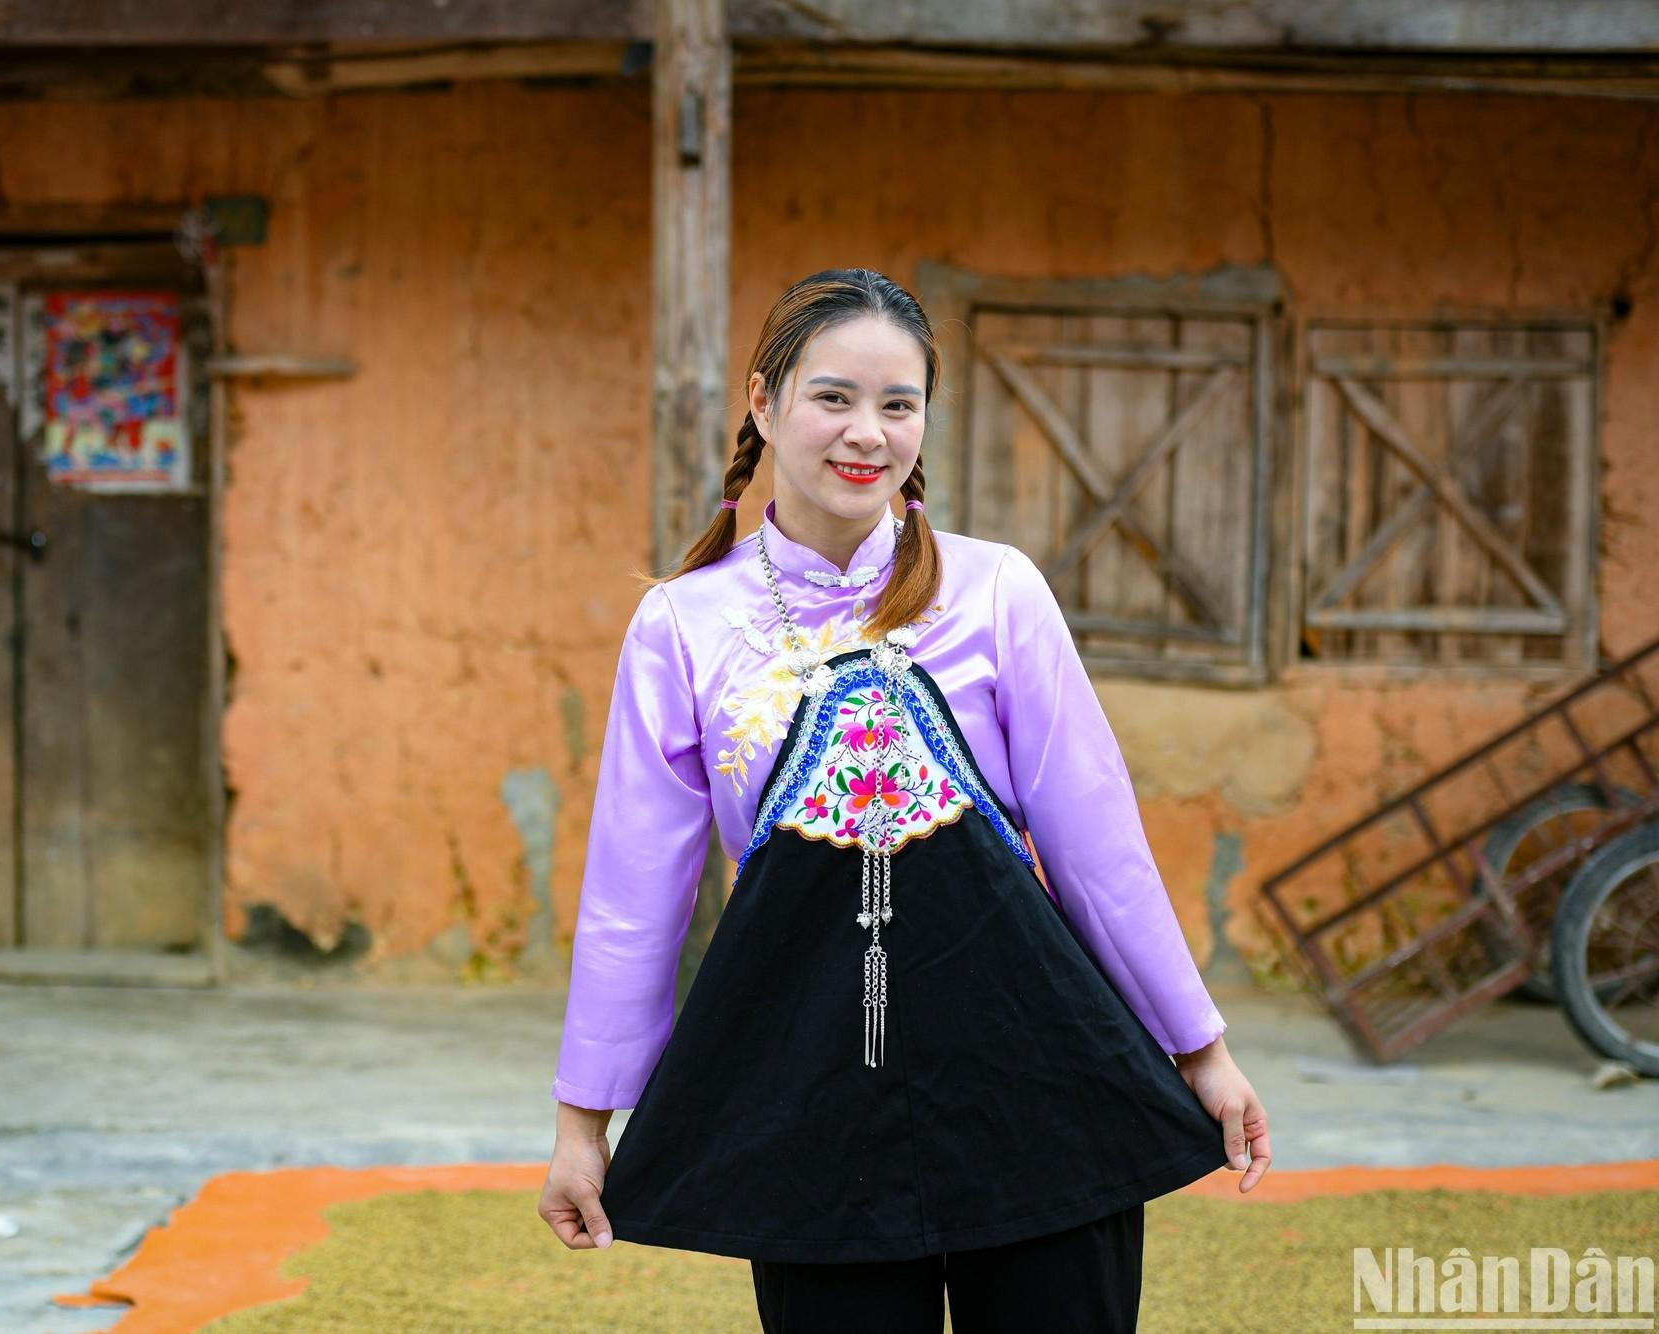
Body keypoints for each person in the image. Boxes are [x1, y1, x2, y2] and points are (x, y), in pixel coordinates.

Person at [538, 268, 1271, 1332]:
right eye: (833, 396)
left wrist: (1197, 1049)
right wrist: (580, 1123)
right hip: (811, 1099)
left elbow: (1094, 843)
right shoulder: (681, 627)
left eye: (898, 403)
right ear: (763, 403)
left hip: (1037, 1079)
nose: (866, 434)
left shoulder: (996, 589)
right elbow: (631, 896)